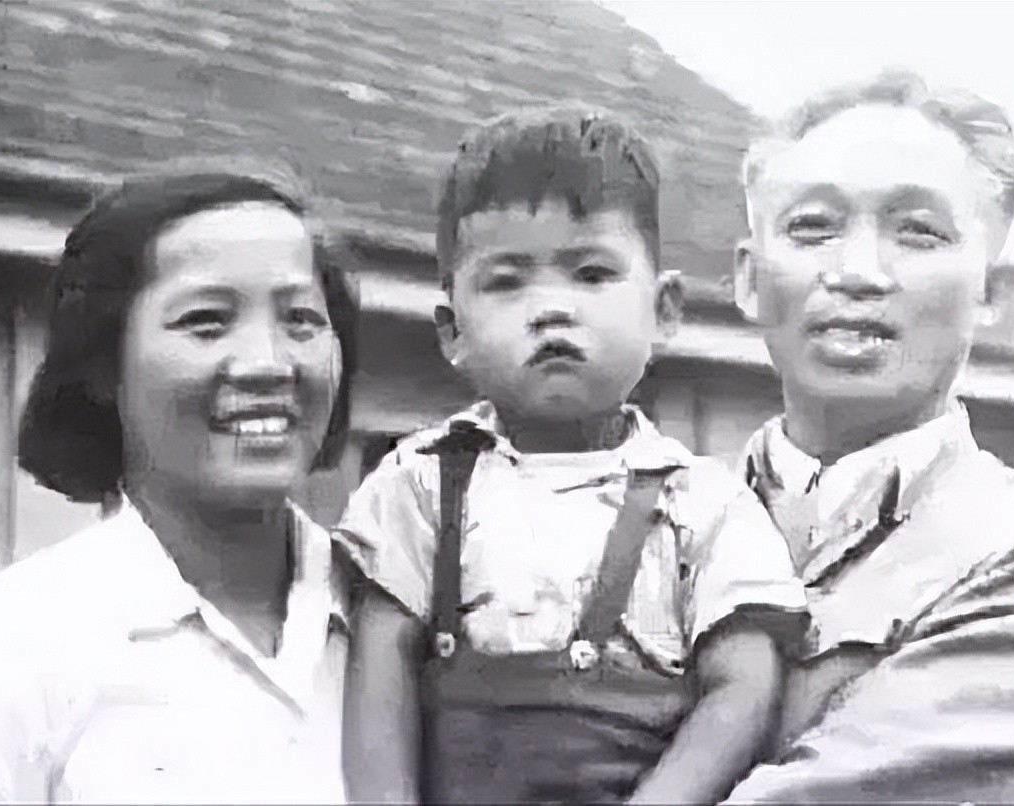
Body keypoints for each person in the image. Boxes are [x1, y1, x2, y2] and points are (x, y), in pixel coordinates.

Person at [335, 108, 807, 804]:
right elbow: (379, 684)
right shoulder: (417, 486)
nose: (552, 309)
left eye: (591, 274)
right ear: (452, 330)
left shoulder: (705, 506)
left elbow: (743, 685)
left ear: (664, 309)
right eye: (507, 282)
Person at [0, 171, 360, 804]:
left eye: (301, 319)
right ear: (103, 363)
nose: (267, 363)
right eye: (206, 322)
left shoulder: (406, 621)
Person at [724, 70, 1014, 803]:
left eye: (918, 231)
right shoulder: (650, 524)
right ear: (750, 280)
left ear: (992, 291)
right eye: (812, 227)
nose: (857, 272)